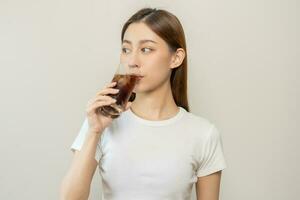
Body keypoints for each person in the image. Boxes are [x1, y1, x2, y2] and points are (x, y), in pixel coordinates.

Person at [60, 7, 227, 200]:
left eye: (146, 49)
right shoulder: (100, 121)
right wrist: (94, 132)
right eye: (126, 49)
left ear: (176, 58)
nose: (132, 61)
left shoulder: (204, 134)